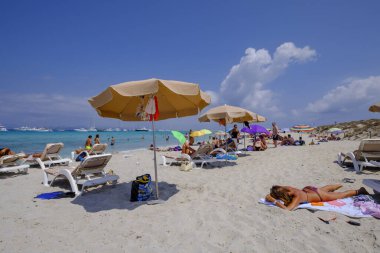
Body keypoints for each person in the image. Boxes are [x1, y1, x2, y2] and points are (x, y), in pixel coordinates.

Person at [265, 184, 370, 211]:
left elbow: (288, 209)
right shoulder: (287, 188)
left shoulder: (297, 197)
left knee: (342, 195)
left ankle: (359, 190)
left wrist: (274, 201)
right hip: (308, 189)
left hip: (319, 196)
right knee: (326, 189)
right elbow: (277, 189)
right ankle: (336, 185)